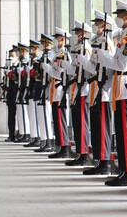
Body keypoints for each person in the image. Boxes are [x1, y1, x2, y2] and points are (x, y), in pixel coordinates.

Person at [98, 1, 127, 186]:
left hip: (124, 85)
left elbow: (121, 64)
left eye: (120, 15)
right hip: (118, 85)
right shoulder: (123, 35)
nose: (117, 19)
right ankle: (124, 170)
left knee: (125, 130)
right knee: (120, 131)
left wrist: (103, 57)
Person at [81, 11, 114, 175]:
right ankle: (99, 161)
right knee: (96, 126)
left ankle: (104, 162)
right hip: (94, 88)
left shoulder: (106, 42)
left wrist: (85, 64)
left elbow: (105, 68)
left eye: (99, 23)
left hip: (102, 89)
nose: (96, 25)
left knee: (102, 127)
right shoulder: (96, 41)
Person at [62, 21, 92, 166]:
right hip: (76, 88)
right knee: (77, 122)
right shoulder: (77, 48)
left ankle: (84, 154)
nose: (77, 35)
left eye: (79, 32)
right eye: (76, 32)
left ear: (85, 34)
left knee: (82, 122)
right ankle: (80, 152)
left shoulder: (86, 48)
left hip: (83, 87)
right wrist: (67, 65)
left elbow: (88, 69)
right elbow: (75, 69)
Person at [43, 27, 71, 159]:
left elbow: (60, 74)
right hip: (54, 90)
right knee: (56, 119)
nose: (55, 40)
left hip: (60, 90)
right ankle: (60, 146)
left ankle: (64, 148)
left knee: (60, 119)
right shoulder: (57, 53)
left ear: (63, 39)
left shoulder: (64, 54)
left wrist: (48, 68)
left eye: (57, 38)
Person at [34, 34, 55, 153]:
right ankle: (44, 140)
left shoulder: (49, 56)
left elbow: (48, 73)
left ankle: (49, 142)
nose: (41, 46)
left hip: (46, 88)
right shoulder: (44, 56)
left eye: (42, 43)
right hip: (41, 87)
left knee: (46, 116)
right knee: (42, 116)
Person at [5, 47, 19, 142]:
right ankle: (11, 134)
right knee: (11, 115)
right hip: (10, 93)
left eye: (12, 56)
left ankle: (19, 134)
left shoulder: (20, 66)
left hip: (18, 93)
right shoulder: (9, 67)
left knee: (20, 115)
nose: (11, 59)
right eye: (9, 57)